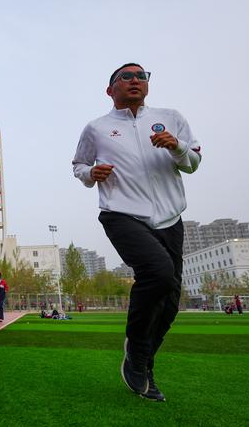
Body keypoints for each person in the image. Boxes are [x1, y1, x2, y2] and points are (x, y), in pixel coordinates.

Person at [72, 62, 201, 402]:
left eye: (141, 76)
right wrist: (91, 174)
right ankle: (137, 349)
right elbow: (78, 166)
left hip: (170, 218)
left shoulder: (171, 117)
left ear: (147, 85)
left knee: (170, 302)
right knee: (157, 273)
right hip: (121, 214)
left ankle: (141, 361)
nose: (135, 81)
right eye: (125, 77)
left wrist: (177, 146)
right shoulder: (96, 128)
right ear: (110, 89)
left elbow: (193, 162)